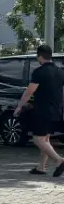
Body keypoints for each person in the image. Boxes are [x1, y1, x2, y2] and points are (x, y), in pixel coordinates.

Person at [14, 44, 64, 177]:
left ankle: (59, 160)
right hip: (56, 111)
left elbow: (29, 91)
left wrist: (19, 106)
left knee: (37, 140)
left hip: (43, 111)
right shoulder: (60, 72)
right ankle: (41, 167)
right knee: (45, 139)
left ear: (39, 57)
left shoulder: (39, 72)